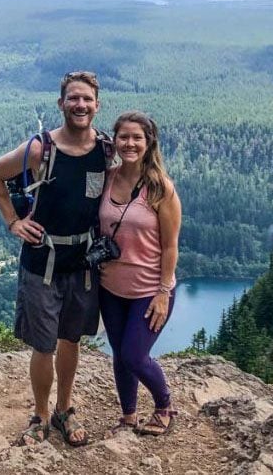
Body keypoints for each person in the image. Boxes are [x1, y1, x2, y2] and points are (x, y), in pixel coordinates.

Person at [0, 71, 111, 448]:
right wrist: (13, 222)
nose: (80, 105)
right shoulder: (41, 149)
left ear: (97, 105)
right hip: (42, 261)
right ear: (61, 104)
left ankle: (65, 409)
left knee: (70, 339)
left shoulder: (105, 150)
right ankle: (40, 414)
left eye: (87, 99)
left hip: (81, 263)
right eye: (73, 98)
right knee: (44, 345)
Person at [98, 110, 181, 437]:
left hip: (149, 289)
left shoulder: (161, 189)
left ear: (149, 143)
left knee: (134, 354)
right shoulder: (107, 179)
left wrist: (164, 291)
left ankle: (164, 406)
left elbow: (171, 246)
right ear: (115, 140)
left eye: (137, 138)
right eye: (123, 137)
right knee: (120, 354)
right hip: (111, 287)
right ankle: (129, 415)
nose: (129, 143)